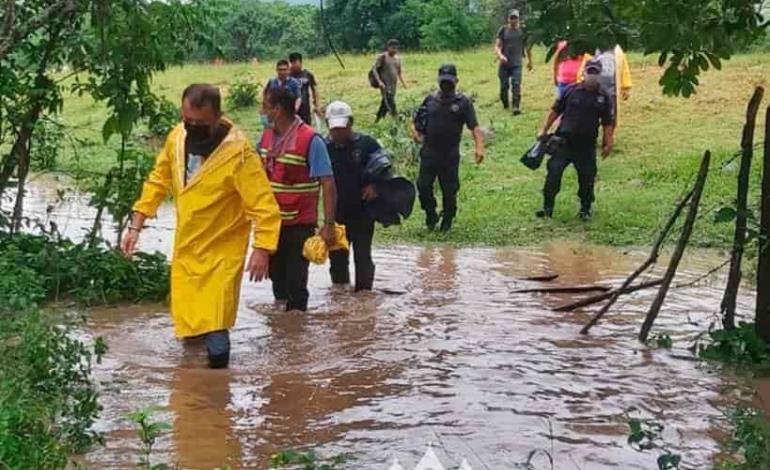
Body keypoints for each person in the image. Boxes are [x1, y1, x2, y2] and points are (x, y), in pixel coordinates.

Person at [121, 84, 281, 369]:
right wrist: (136, 225)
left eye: (200, 123)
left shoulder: (239, 154)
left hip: (221, 253)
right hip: (187, 249)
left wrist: (263, 248)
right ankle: (192, 394)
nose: (192, 127)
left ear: (218, 116)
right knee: (189, 329)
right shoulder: (177, 138)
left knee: (216, 334)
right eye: (188, 120)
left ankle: (218, 396)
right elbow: (158, 181)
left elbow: (264, 206)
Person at [258, 87, 337, 312]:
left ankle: (296, 327)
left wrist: (329, 224)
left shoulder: (311, 140)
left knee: (296, 282)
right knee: (276, 277)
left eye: (265, 106)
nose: (262, 111)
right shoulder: (265, 137)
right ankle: (283, 332)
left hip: (299, 224)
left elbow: (328, 183)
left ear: (278, 109)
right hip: (272, 223)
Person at [324, 101, 394, 291]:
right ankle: (340, 297)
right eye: (334, 129)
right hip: (336, 216)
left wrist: (375, 186)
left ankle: (364, 295)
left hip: (363, 213)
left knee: (362, 257)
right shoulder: (324, 147)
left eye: (342, 128)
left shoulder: (367, 144)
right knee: (337, 259)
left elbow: (386, 168)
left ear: (351, 123)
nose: (338, 133)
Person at [537, 59, 615, 220]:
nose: (592, 76)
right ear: (584, 73)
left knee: (587, 178)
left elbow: (607, 122)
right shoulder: (571, 90)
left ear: (599, 75)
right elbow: (555, 110)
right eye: (589, 72)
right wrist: (544, 129)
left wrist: (608, 142)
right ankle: (547, 208)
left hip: (586, 146)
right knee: (553, 174)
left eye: (595, 73)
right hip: (563, 142)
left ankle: (585, 209)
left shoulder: (603, 97)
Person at [412, 64, 485, 232]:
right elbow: (417, 122)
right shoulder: (430, 100)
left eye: (449, 82)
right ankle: (430, 213)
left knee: (449, 190)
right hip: (429, 151)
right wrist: (416, 133)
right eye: (443, 81)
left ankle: (448, 219)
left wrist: (479, 147)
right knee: (423, 186)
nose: (446, 85)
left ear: (456, 81)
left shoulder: (463, 103)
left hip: (449, 154)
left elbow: (474, 127)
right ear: (438, 81)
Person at [580, 43, 632, 127]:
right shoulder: (591, 49)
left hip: (612, 92)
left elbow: (624, 68)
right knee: (591, 116)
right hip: (594, 91)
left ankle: (608, 137)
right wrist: (580, 83)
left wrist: (626, 87)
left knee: (611, 119)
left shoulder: (618, 50)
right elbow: (583, 69)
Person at [495, 9, 533, 115]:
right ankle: (505, 103)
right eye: (512, 18)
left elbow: (527, 47)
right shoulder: (503, 30)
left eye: (515, 18)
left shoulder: (522, 31)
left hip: (517, 63)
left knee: (516, 84)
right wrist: (500, 56)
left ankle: (516, 106)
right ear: (508, 19)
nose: (513, 20)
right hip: (504, 63)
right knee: (504, 86)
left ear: (518, 19)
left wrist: (530, 61)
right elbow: (497, 46)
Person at [372, 39, 407, 122]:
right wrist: (379, 82)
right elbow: (374, 69)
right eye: (392, 48)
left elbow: (399, 72)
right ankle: (397, 119)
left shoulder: (398, 59)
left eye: (396, 48)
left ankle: (378, 119)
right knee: (390, 102)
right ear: (388, 47)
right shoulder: (383, 57)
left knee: (385, 103)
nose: (394, 50)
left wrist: (403, 83)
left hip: (393, 85)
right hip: (384, 85)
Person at [289, 52, 321, 126]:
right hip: (292, 108)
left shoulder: (307, 74)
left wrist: (317, 105)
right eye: (292, 63)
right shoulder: (288, 76)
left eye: (296, 62)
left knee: (306, 128)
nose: (294, 65)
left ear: (301, 62)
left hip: (305, 108)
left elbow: (314, 90)